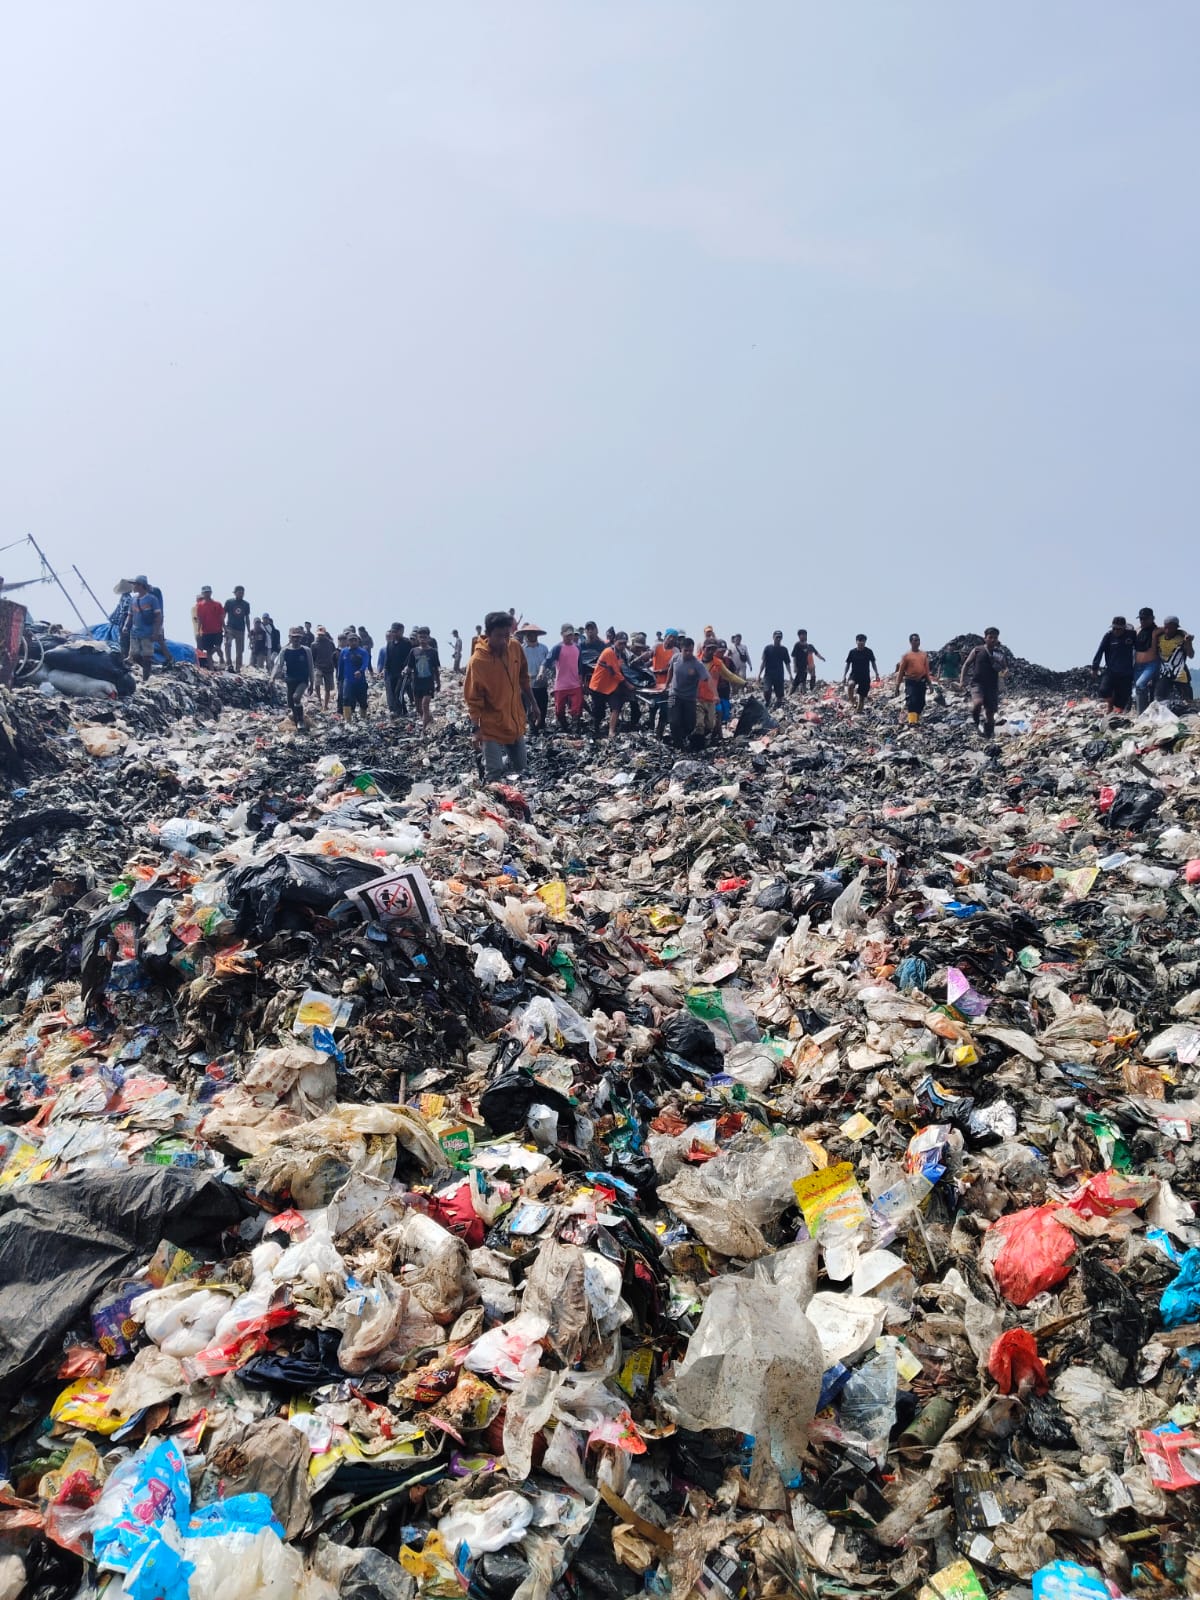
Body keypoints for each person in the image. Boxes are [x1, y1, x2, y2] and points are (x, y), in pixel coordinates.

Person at [464, 611, 533, 778]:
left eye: (506, 636)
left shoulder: (514, 647)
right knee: (494, 773)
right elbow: (473, 699)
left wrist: (534, 705)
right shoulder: (478, 661)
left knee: (522, 771)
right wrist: (476, 730)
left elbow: (523, 678)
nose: (504, 641)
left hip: (514, 721)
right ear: (488, 634)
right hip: (491, 725)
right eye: (499, 636)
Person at [961, 628, 1006, 738]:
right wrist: (962, 680)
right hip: (977, 683)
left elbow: (1005, 668)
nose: (992, 640)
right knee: (978, 703)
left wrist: (1004, 673)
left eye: (995, 638)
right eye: (990, 637)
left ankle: (988, 734)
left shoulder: (998, 653)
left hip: (992, 686)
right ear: (985, 638)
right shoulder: (977, 650)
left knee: (990, 713)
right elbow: (966, 664)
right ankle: (975, 723)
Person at [666, 637, 710, 748]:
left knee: (690, 724)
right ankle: (677, 744)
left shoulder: (697, 664)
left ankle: (683, 737)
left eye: (691, 650)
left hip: (689, 698)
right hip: (674, 694)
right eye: (686, 650)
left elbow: (706, 679)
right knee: (674, 721)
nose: (688, 653)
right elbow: (670, 670)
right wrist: (666, 685)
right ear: (681, 649)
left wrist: (712, 694)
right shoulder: (675, 658)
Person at [588, 633, 631, 739]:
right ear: (615, 641)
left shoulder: (622, 655)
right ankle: (596, 728)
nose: (622, 646)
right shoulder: (609, 652)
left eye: (624, 644)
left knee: (616, 707)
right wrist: (627, 685)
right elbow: (616, 672)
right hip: (599, 686)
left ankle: (611, 731)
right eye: (620, 643)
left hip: (611, 686)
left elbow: (625, 669)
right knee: (599, 711)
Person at [271, 627, 315, 728]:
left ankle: (300, 722)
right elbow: (278, 665)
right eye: (294, 637)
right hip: (290, 680)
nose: (296, 639)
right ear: (290, 637)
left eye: (298, 637)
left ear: (301, 638)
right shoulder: (285, 650)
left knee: (296, 697)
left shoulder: (306, 650)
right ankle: (297, 722)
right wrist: (272, 677)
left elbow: (311, 667)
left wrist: (312, 683)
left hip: (302, 680)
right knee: (290, 704)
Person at [1091, 616, 1135, 713]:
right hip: (1111, 670)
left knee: (1123, 696)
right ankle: (1110, 705)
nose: (1116, 631)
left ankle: (1117, 713)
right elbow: (1100, 650)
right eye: (1114, 628)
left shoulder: (1131, 635)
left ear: (1124, 628)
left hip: (1126, 672)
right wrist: (1095, 667)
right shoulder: (1108, 636)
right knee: (1104, 690)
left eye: (1119, 629)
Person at [546, 625, 584, 730]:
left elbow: (580, 664)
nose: (569, 637)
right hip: (561, 684)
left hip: (575, 683)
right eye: (567, 635)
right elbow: (547, 661)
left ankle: (575, 726)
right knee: (559, 710)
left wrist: (581, 679)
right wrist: (542, 672)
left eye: (571, 635)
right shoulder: (557, 648)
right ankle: (564, 726)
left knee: (576, 708)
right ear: (562, 634)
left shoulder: (577, 647)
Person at [405, 627, 441, 731]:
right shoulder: (414, 651)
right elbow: (410, 666)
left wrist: (438, 683)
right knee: (418, 708)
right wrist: (405, 672)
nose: (422, 639)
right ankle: (430, 721)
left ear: (428, 638)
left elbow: (435, 669)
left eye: (425, 637)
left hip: (428, 683)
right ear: (417, 638)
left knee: (425, 705)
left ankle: (424, 731)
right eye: (420, 637)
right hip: (417, 683)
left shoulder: (433, 652)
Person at [127, 576, 162, 682]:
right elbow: (130, 615)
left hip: (148, 632)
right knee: (135, 655)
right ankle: (147, 670)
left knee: (147, 656)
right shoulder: (133, 599)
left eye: (135, 584)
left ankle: (146, 677)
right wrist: (125, 626)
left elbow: (158, 617)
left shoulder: (152, 599)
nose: (133, 586)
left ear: (141, 585)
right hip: (135, 632)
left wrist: (156, 632)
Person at [895, 633, 934, 725]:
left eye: (918, 640)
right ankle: (912, 722)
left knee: (921, 702)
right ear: (910, 642)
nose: (917, 642)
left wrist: (930, 684)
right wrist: (897, 686)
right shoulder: (906, 656)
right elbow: (901, 672)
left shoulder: (923, 655)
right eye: (915, 640)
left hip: (921, 681)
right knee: (912, 702)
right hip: (910, 682)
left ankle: (915, 719)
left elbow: (926, 671)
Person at [1155, 615, 1194, 703]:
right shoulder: (1159, 637)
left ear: (1176, 628)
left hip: (1180, 674)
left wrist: (1188, 643)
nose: (1168, 630)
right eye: (1166, 627)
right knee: (1159, 699)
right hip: (1164, 674)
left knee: (1187, 701)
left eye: (1171, 628)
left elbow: (1191, 655)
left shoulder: (1182, 639)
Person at [517, 626, 550, 730]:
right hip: (527, 684)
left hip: (541, 683)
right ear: (526, 635)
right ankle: (532, 727)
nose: (531, 636)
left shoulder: (543, 648)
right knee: (529, 708)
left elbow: (548, 663)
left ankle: (541, 725)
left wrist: (545, 673)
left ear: (537, 635)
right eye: (529, 634)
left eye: (534, 634)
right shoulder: (521, 649)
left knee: (542, 705)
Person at [338, 628, 372, 722]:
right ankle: (348, 720)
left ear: (358, 641)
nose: (353, 642)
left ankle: (363, 719)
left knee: (363, 701)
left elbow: (365, 663)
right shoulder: (344, 652)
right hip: (348, 681)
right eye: (351, 640)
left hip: (360, 681)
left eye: (355, 640)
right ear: (347, 641)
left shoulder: (363, 652)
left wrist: (360, 671)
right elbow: (341, 665)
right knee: (346, 699)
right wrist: (339, 678)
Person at [381, 623, 412, 717]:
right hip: (392, 673)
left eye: (396, 632)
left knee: (398, 692)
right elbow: (388, 658)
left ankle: (398, 712)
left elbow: (410, 658)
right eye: (393, 631)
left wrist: (407, 668)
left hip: (403, 673)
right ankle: (404, 711)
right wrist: (385, 670)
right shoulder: (390, 644)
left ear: (401, 631)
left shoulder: (407, 643)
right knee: (394, 693)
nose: (394, 634)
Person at [843, 634, 878, 711]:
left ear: (865, 642)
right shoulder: (852, 652)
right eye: (859, 642)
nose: (861, 644)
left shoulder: (869, 651)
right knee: (850, 685)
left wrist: (876, 674)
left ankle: (858, 712)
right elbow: (848, 664)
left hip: (865, 676)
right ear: (856, 642)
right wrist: (844, 676)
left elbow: (873, 663)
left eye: (863, 642)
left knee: (861, 698)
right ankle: (852, 700)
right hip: (854, 674)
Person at [1133, 609, 1158, 712]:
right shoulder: (1137, 630)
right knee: (1138, 690)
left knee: (1140, 685)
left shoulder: (1156, 631)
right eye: (1141, 619)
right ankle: (1142, 712)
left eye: (1145, 619)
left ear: (1152, 618)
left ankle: (1141, 713)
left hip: (1151, 664)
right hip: (1138, 666)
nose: (1142, 621)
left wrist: (1187, 635)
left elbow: (1173, 628)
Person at [192, 586, 224, 666]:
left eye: (208, 592)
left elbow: (221, 617)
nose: (207, 594)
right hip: (206, 631)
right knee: (208, 651)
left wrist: (225, 627)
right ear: (203, 594)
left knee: (217, 648)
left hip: (217, 630)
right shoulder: (200, 606)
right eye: (205, 592)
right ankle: (211, 668)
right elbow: (200, 618)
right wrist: (199, 630)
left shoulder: (217, 604)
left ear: (211, 592)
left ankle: (222, 659)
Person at [760, 631, 792, 707]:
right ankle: (768, 702)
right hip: (768, 674)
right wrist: (759, 674)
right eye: (777, 637)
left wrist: (790, 674)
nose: (778, 639)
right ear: (773, 637)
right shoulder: (768, 648)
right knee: (767, 690)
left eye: (779, 637)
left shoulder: (784, 649)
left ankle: (777, 709)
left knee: (779, 695)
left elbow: (787, 663)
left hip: (779, 674)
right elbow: (763, 662)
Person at [223, 587, 251, 672]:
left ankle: (238, 667)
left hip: (240, 629)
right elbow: (224, 614)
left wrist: (249, 631)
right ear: (235, 593)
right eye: (239, 592)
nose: (241, 594)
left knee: (240, 650)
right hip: (230, 627)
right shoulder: (229, 602)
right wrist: (224, 627)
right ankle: (229, 664)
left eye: (242, 592)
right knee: (227, 644)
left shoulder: (246, 604)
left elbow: (247, 618)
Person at [311, 625, 337, 711]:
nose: (320, 636)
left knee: (328, 688)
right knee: (317, 684)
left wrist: (334, 665)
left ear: (325, 634)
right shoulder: (314, 644)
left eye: (322, 635)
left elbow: (334, 655)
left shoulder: (330, 644)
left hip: (329, 668)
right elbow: (312, 657)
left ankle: (325, 705)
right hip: (319, 667)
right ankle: (319, 699)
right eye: (319, 635)